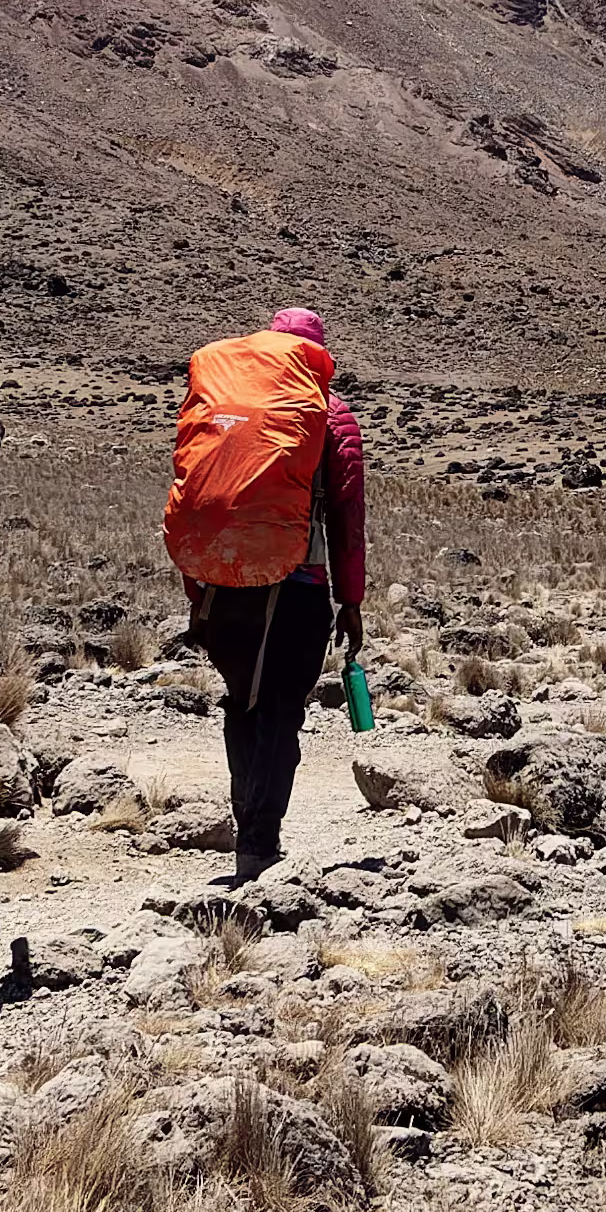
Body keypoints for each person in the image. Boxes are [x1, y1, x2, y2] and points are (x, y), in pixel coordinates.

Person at [185, 305, 365, 881]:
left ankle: (248, 826)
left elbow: (195, 491)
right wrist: (352, 599)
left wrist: (199, 588)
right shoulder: (328, 415)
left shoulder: (225, 405)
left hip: (222, 585)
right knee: (281, 715)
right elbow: (346, 516)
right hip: (298, 588)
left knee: (243, 704)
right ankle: (259, 843)